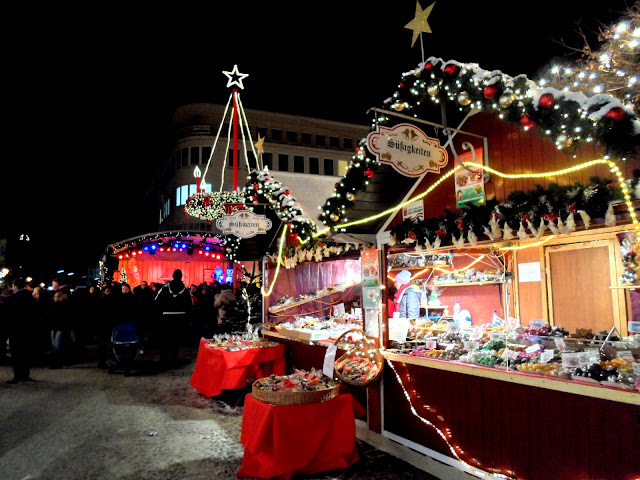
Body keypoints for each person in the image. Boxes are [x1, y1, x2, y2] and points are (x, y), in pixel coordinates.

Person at [154, 269, 191, 367]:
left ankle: (164, 360)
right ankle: (174, 360)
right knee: (176, 340)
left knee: (165, 340)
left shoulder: (165, 288)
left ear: (173, 276)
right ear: (181, 277)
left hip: (166, 318)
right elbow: (190, 304)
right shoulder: (186, 289)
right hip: (180, 319)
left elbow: (157, 302)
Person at [5, 278, 38, 383]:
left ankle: (18, 375)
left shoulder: (12, 299)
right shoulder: (31, 297)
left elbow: (7, 316)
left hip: (15, 329)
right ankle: (25, 374)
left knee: (16, 353)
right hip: (28, 329)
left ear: (16, 286)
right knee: (26, 352)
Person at [48, 289, 72, 369]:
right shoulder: (53, 304)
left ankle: (58, 362)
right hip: (54, 326)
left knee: (57, 345)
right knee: (54, 345)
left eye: (56, 296)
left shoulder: (63, 305)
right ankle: (55, 362)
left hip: (60, 327)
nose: (55, 298)